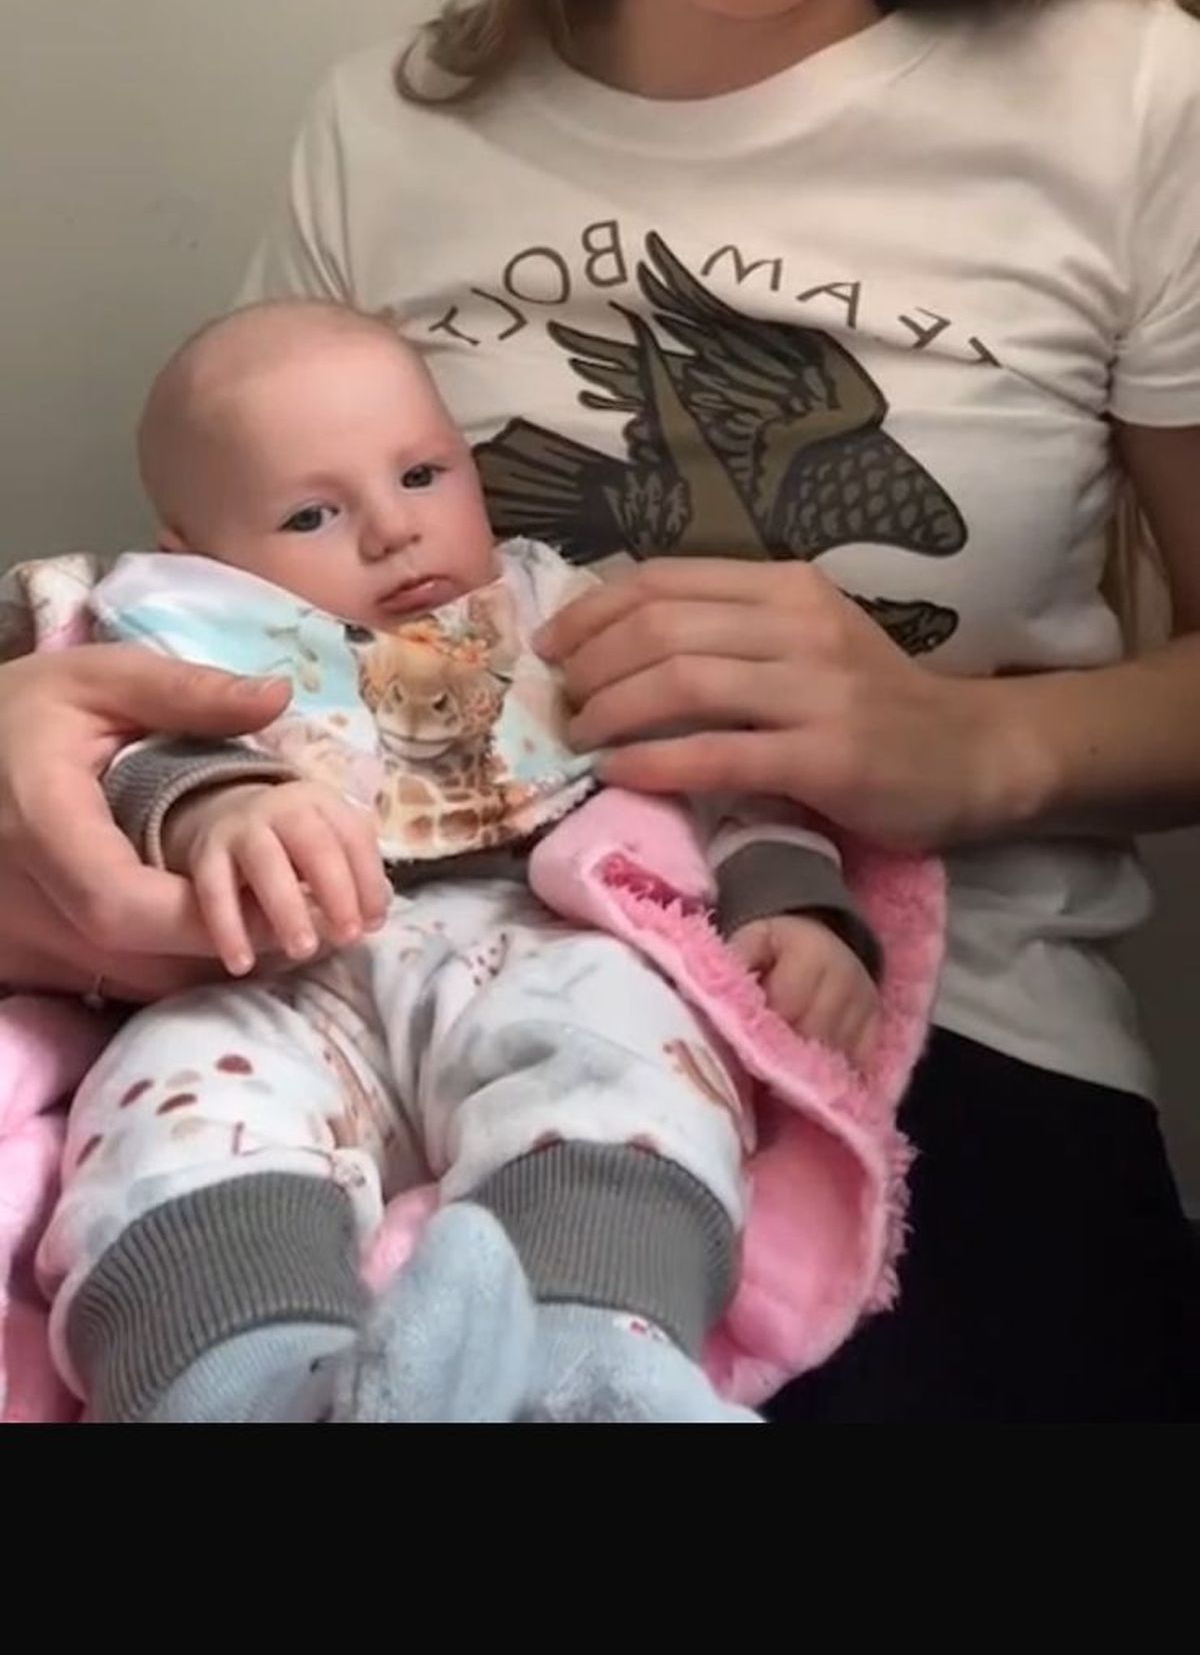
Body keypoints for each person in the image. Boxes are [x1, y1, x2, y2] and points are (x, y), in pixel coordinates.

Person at [4, 0, 1200, 1420]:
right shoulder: (383, 134)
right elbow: (217, 625)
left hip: (924, 1055)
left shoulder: (1138, 105)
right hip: (345, 1033)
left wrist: (966, 751)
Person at [38, 296, 889, 1422]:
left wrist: (795, 903)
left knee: (627, 1061)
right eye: (311, 515)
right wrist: (215, 813)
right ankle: (241, 1387)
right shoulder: (192, 642)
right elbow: (117, 769)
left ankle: (591, 1363)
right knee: (171, 1111)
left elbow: (721, 763)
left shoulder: (557, 616)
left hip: (538, 941)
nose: (393, 531)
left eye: (422, 475)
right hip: (276, 980)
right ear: (194, 558)